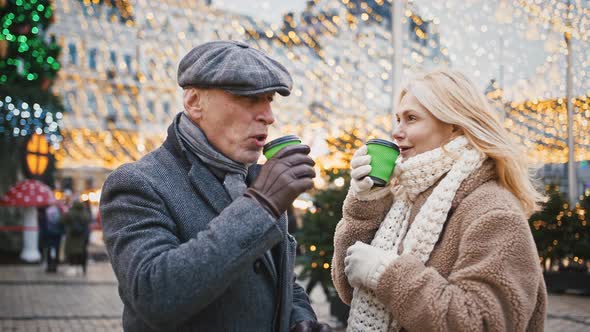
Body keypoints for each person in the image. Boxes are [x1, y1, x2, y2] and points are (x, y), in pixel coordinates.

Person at [100, 41, 331, 332]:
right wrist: (261, 205)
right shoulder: (138, 183)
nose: (268, 116)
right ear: (195, 102)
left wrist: (300, 318)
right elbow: (153, 297)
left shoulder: (253, 178)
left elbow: (277, 279)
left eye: (269, 99)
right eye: (248, 99)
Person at [331, 69, 547, 331]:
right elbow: (347, 286)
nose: (397, 132)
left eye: (411, 119)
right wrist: (365, 203)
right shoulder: (405, 195)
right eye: (397, 119)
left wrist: (387, 273)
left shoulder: (493, 211)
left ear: (454, 125)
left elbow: (484, 323)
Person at [63, 201, 91, 275]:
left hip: (72, 235)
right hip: (82, 236)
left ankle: (72, 267)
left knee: (72, 252)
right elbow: (88, 220)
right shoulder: (84, 213)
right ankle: (83, 268)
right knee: (82, 252)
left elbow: (63, 220)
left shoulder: (71, 212)